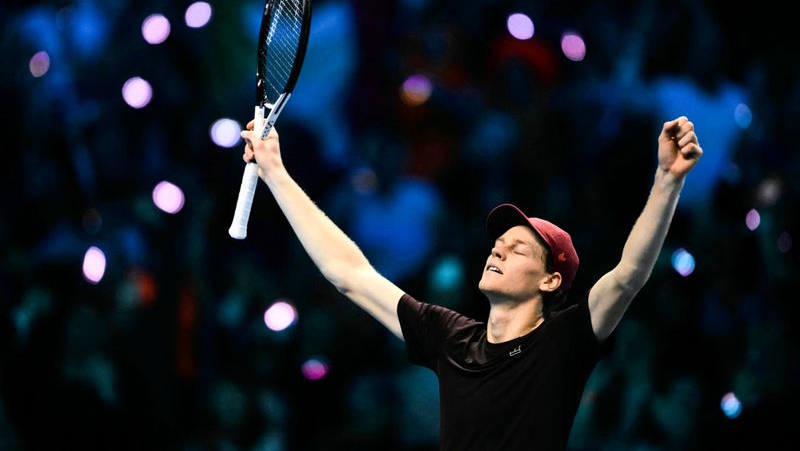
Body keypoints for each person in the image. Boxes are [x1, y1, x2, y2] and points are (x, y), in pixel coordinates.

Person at [240, 116, 703, 450]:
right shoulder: (450, 337)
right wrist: (276, 174)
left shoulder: (562, 341)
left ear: (551, 280)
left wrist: (666, 181)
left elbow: (626, 279)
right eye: (497, 243)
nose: (497, 249)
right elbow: (350, 274)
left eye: (517, 248)